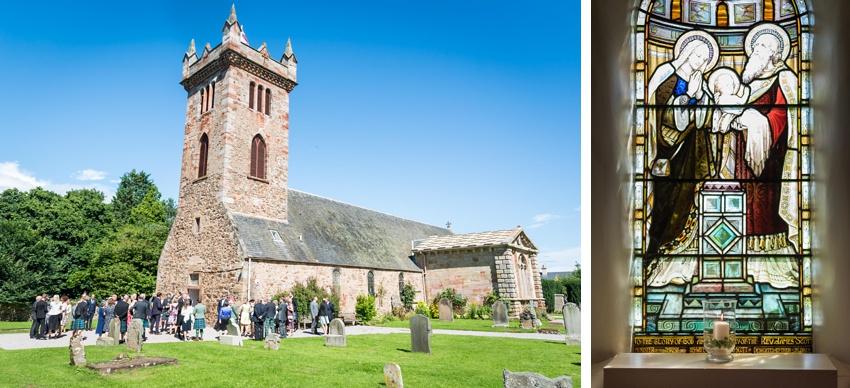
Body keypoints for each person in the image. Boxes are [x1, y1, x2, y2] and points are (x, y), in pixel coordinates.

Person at [726, 23, 800, 286]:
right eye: (755, 47)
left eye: (763, 48)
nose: (756, 52)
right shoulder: (745, 83)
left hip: (771, 159)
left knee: (764, 207)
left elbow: (783, 116)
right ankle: (738, 256)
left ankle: (766, 265)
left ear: (775, 54)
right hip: (741, 157)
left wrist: (757, 122)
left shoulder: (784, 78)